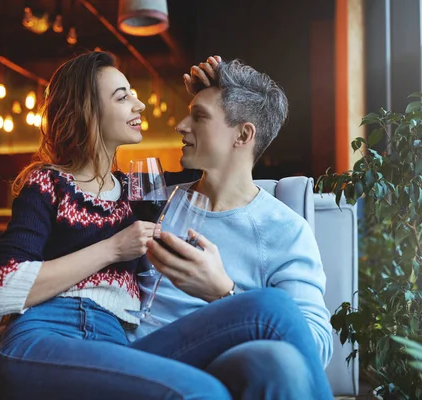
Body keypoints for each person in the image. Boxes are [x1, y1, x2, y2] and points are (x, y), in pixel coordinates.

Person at [129, 56, 334, 399]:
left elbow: (314, 346)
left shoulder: (285, 230)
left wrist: (223, 293)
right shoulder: (157, 202)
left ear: (243, 134)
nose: (181, 126)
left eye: (199, 117)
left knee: (278, 362)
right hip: (136, 363)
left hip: (218, 372)